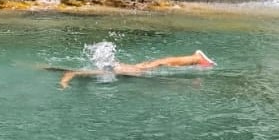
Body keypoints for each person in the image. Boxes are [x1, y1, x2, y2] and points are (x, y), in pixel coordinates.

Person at [57, 50, 216, 88]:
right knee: (160, 64)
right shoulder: (104, 70)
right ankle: (196, 60)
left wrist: (63, 83)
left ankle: (197, 58)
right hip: (130, 70)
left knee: (161, 64)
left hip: (131, 71)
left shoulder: (99, 72)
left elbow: (72, 72)